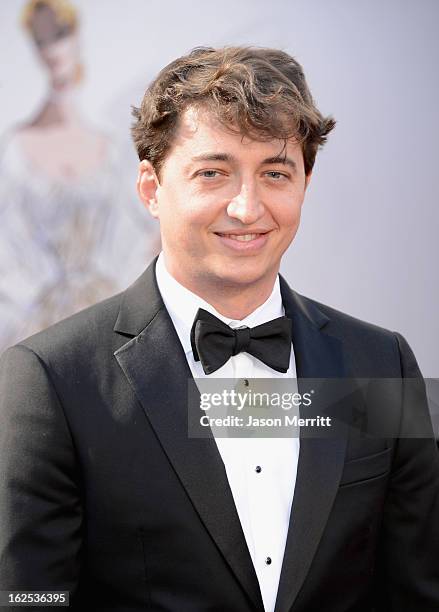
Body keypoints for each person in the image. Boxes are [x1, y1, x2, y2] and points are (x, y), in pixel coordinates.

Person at [0, 46, 438, 612]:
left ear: (305, 182)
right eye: (213, 173)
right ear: (151, 188)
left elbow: (418, 592)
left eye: (275, 173)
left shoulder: (384, 364)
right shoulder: (50, 380)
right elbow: (30, 600)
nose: (247, 207)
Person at [0, 0, 158, 351]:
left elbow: (140, 235)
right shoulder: (15, 150)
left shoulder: (112, 148)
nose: (53, 48)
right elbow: (8, 249)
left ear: (76, 37)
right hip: (40, 322)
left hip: (107, 311)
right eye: (42, 39)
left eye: (60, 34)